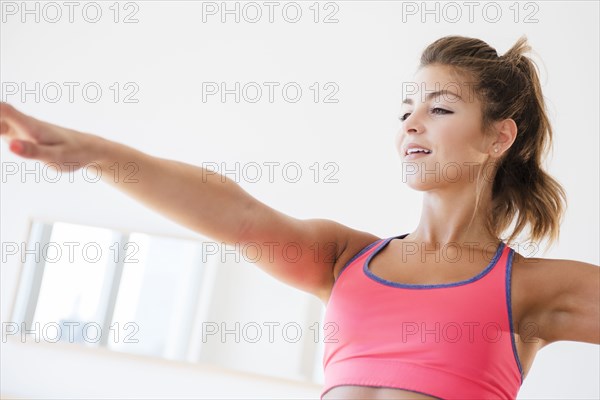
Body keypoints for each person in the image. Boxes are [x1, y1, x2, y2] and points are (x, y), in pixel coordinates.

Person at [1, 35, 598, 399]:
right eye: (405, 109)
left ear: (499, 138)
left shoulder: (532, 288)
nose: (410, 123)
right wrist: (91, 152)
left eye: (439, 108)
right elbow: (236, 214)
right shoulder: (347, 260)